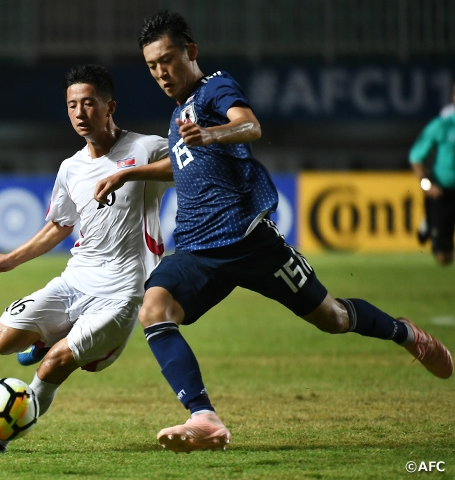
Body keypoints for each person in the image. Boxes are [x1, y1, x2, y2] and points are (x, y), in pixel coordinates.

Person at [94, 10, 453, 454]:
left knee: (333, 319)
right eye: (151, 66)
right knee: (155, 308)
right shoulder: (179, 113)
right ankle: (204, 418)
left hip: (250, 243)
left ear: (191, 52)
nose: (161, 72)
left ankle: (405, 334)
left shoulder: (214, 90)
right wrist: (131, 174)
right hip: (199, 250)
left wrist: (210, 133)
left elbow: (249, 125)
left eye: (167, 59)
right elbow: (183, 162)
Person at [0, 64, 171, 454]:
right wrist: (10, 260)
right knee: (0, 340)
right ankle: (52, 337)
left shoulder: (146, 148)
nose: (80, 113)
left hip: (122, 292)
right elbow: (60, 225)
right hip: (76, 280)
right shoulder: (71, 168)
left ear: (110, 106)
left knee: (54, 365)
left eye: (89, 103)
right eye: (72, 105)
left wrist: (130, 175)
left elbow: (188, 168)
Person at [410, 81, 455, 265]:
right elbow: (416, 158)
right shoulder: (443, 125)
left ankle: (430, 223)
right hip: (441, 191)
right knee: (444, 258)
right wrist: (427, 185)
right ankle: (430, 222)